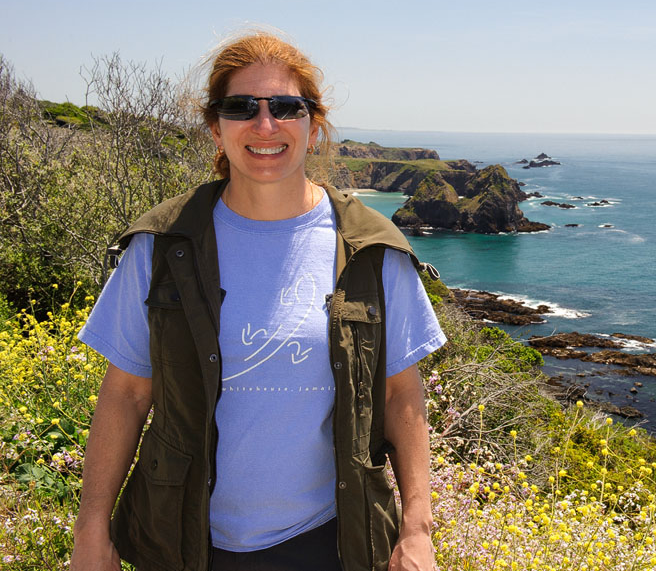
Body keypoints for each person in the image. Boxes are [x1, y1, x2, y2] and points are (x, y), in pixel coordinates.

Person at [69, 32, 446, 571]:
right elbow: (127, 393)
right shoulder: (161, 245)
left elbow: (399, 395)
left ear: (314, 126)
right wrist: (90, 532)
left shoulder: (371, 247)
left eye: (287, 108)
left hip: (330, 542)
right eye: (241, 107)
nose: (265, 125)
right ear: (215, 128)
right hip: (184, 543)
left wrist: (417, 532)